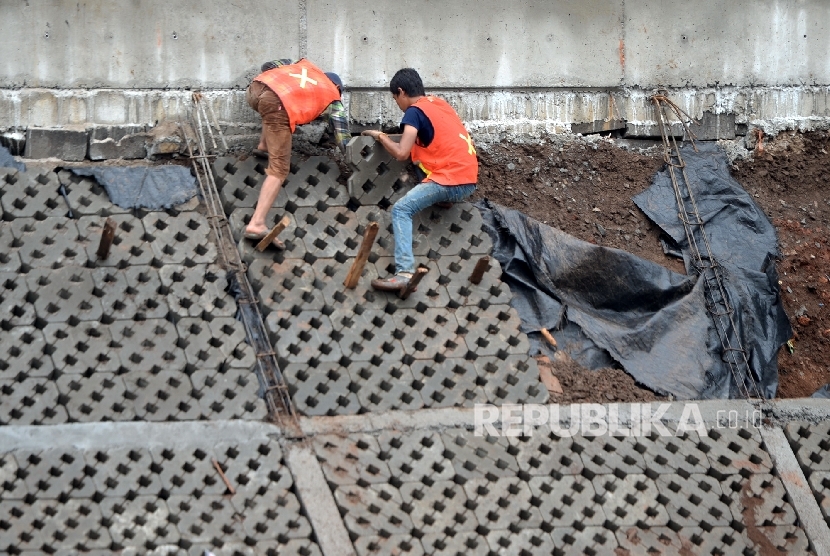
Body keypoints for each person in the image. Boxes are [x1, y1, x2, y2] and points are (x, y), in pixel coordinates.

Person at [363, 68, 478, 291]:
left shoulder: (414, 112)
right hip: (469, 179)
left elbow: (401, 153)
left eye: (395, 98)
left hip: (450, 180)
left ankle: (404, 272)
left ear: (401, 91)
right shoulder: (438, 104)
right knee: (421, 156)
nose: (397, 103)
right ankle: (442, 199)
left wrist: (380, 136)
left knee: (401, 210)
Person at [244, 58, 350, 249]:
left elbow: (267, 65)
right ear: (337, 87)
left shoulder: (305, 67)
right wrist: (351, 158)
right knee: (279, 169)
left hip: (254, 89)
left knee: (271, 107)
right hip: (276, 104)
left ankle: (263, 146)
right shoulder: (333, 96)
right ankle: (257, 223)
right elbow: (344, 139)